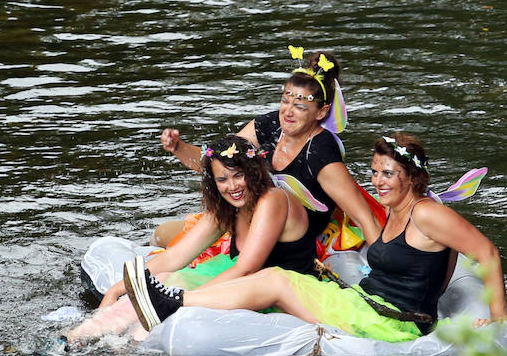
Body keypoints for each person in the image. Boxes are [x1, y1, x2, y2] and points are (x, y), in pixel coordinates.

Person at [123, 133, 507, 340]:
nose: (377, 182)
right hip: (366, 304)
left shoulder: (426, 212)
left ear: (411, 177)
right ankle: (174, 301)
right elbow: (450, 259)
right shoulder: (398, 213)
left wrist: (498, 320)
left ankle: (175, 303)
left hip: (390, 323)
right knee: (276, 277)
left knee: (275, 279)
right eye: (374, 172)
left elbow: (487, 252)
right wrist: (433, 298)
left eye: (388, 174)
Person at [66, 134, 316, 343]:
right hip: (240, 285)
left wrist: (176, 300)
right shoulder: (226, 208)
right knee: (166, 278)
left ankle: (133, 345)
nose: (232, 186)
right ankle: (75, 339)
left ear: (254, 172)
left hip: (279, 293)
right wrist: (117, 289)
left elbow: (247, 267)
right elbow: (174, 257)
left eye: (238, 175)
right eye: (222, 179)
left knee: (172, 292)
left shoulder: (273, 199)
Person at [153, 47, 383, 255]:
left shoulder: (321, 156)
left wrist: (391, 277)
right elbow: (219, 163)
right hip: (251, 220)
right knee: (161, 234)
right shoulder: (271, 125)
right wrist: (178, 147)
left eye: (300, 106)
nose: (288, 112)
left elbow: (365, 218)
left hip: (292, 242)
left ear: (321, 112)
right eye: (285, 101)